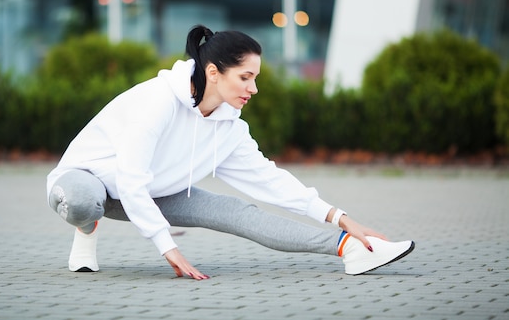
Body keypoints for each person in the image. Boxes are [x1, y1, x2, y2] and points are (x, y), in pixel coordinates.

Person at [46, 24, 414, 279]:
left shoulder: (230, 127)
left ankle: (351, 251)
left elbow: (269, 181)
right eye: (246, 78)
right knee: (82, 201)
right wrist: (165, 245)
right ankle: (86, 226)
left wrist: (339, 218)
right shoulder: (157, 101)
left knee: (237, 212)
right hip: (90, 181)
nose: (253, 89)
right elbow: (128, 177)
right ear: (214, 72)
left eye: (256, 78)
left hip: (152, 192)